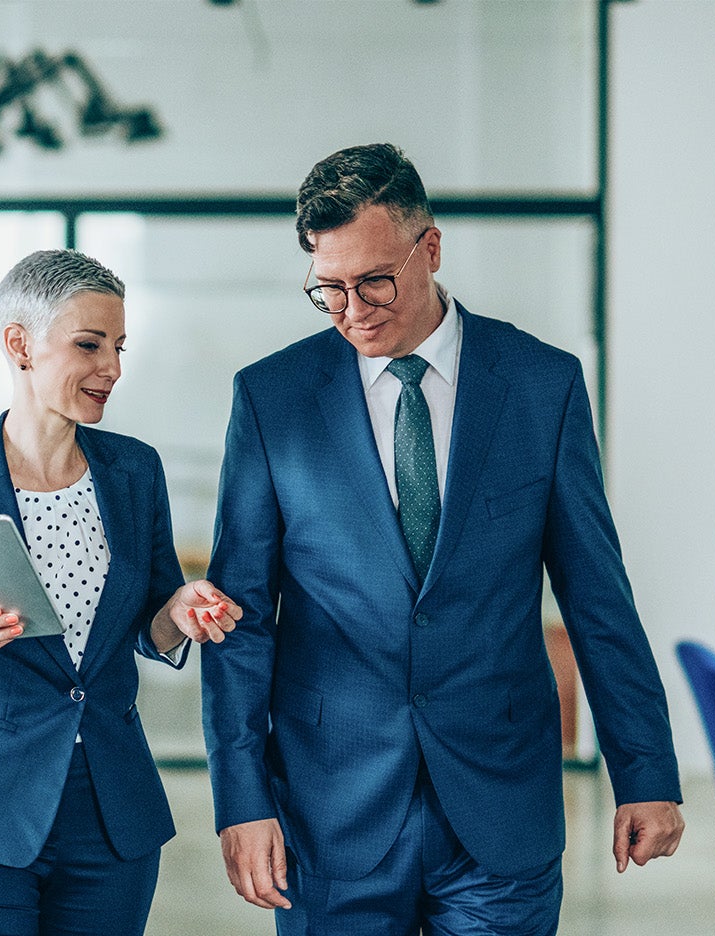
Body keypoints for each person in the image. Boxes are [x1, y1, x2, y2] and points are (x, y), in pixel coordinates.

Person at [203, 143, 685, 934]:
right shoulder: (271, 399)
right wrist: (240, 798)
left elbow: (597, 593)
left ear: (430, 246)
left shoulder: (541, 383)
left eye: (373, 281)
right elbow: (241, 617)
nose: (351, 308)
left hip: (500, 808)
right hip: (329, 813)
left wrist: (645, 771)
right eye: (327, 289)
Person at [0, 249, 241, 935]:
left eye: (119, 346)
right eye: (89, 344)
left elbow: (151, 619)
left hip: (111, 815)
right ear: (19, 344)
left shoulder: (134, 471)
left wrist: (182, 610)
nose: (112, 367)